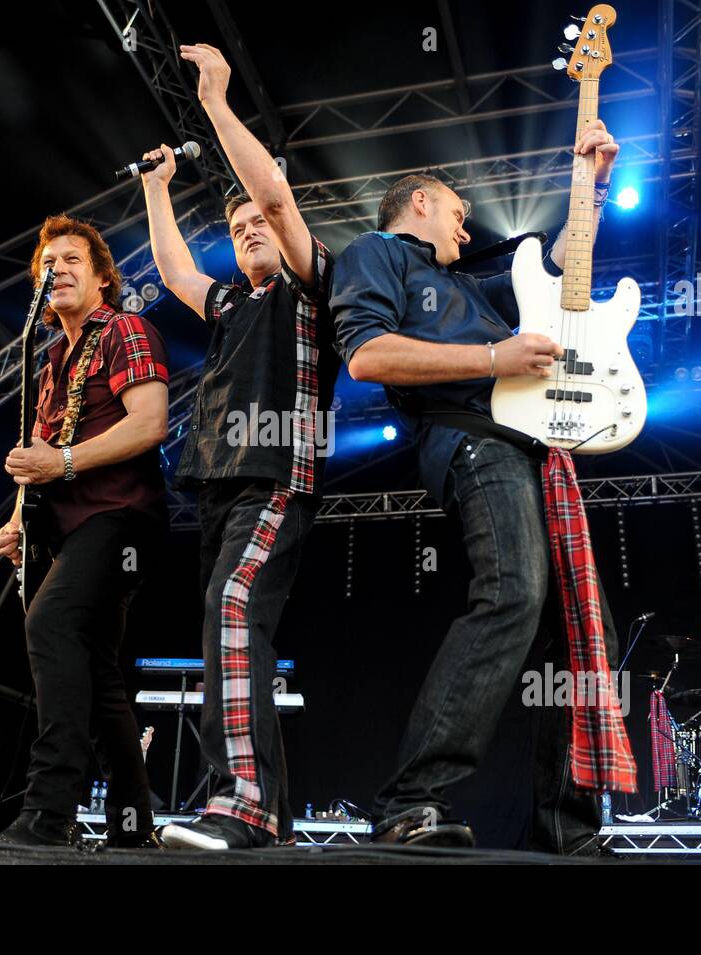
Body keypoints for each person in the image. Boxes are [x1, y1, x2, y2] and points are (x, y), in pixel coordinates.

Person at [329, 117, 634, 853]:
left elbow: (561, 262)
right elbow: (366, 355)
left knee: (579, 632)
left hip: (536, 448)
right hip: (470, 439)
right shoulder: (375, 254)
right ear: (421, 203)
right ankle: (410, 798)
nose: (467, 233)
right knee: (514, 592)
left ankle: (570, 825)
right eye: (459, 216)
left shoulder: (466, 280)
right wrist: (495, 355)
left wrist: (591, 182)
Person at [138, 42, 340, 850]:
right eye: (238, 225)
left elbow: (279, 199)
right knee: (232, 627)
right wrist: (157, 190)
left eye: (258, 220)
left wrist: (217, 104)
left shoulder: (309, 284)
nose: (252, 227)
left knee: (231, 608)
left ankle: (245, 800)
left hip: (275, 475)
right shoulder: (228, 301)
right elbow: (173, 268)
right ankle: (271, 823)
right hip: (219, 484)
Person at [0, 213, 170, 849]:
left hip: (121, 516)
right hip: (68, 525)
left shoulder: (125, 328)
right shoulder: (50, 362)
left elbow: (149, 424)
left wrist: (61, 461)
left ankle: (49, 810)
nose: (57, 270)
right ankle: (131, 825)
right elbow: (39, 458)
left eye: (71, 260)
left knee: (51, 623)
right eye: (48, 264)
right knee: (99, 673)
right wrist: (17, 521)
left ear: (100, 277)